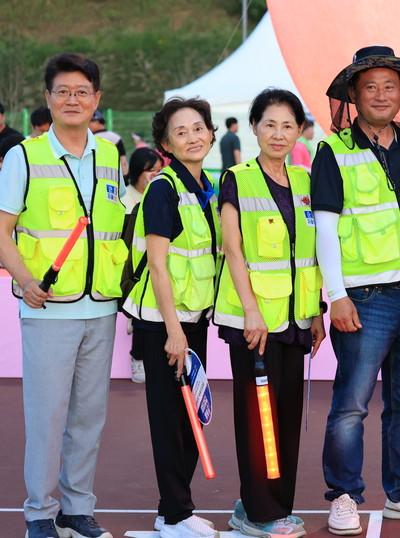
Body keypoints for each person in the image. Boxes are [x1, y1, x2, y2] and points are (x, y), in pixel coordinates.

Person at [311, 46, 400, 536]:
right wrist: (336, 295)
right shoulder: (333, 151)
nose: (382, 94)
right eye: (370, 86)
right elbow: (325, 229)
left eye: (391, 86)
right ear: (354, 94)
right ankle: (344, 496)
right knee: (351, 405)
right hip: (365, 299)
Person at [0, 52, 124, 538]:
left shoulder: (110, 155)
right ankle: (39, 513)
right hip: (47, 309)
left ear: (97, 99)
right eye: (63, 92)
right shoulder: (23, 156)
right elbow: (2, 230)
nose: (73, 100)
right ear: (48, 98)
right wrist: (26, 280)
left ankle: (77, 508)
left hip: (101, 307)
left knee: (89, 418)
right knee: (47, 418)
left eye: (82, 92)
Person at [214, 88, 326, 537]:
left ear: (299, 130)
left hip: (296, 321)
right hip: (255, 323)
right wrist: (251, 312)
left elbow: (312, 254)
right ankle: (259, 514)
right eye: (269, 125)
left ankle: (276, 505)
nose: (278, 134)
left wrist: (316, 311)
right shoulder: (236, 179)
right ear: (254, 127)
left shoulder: (305, 180)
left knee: (286, 418)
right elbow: (233, 250)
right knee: (258, 419)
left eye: (287, 126)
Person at [121, 97, 221, 538]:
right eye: (180, 132)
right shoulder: (164, 188)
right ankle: (175, 515)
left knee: (189, 416)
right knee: (170, 421)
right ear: (165, 144)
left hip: (192, 319)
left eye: (198, 128)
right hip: (164, 324)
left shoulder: (205, 187)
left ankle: (175, 510)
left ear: (211, 134)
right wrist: (174, 332)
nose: (192, 137)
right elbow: (158, 266)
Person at [121, 146, 164, 384]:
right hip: (133, 268)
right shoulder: (125, 201)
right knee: (140, 314)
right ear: (137, 172)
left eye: (159, 169)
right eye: (150, 170)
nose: (155, 175)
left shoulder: (159, 195)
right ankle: (137, 358)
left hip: (155, 263)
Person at [90, 109, 128, 176]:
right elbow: (123, 161)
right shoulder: (116, 137)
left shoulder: (91, 138)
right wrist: (125, 177)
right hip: (116, 176)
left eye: (89, 122)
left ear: (96, 122)